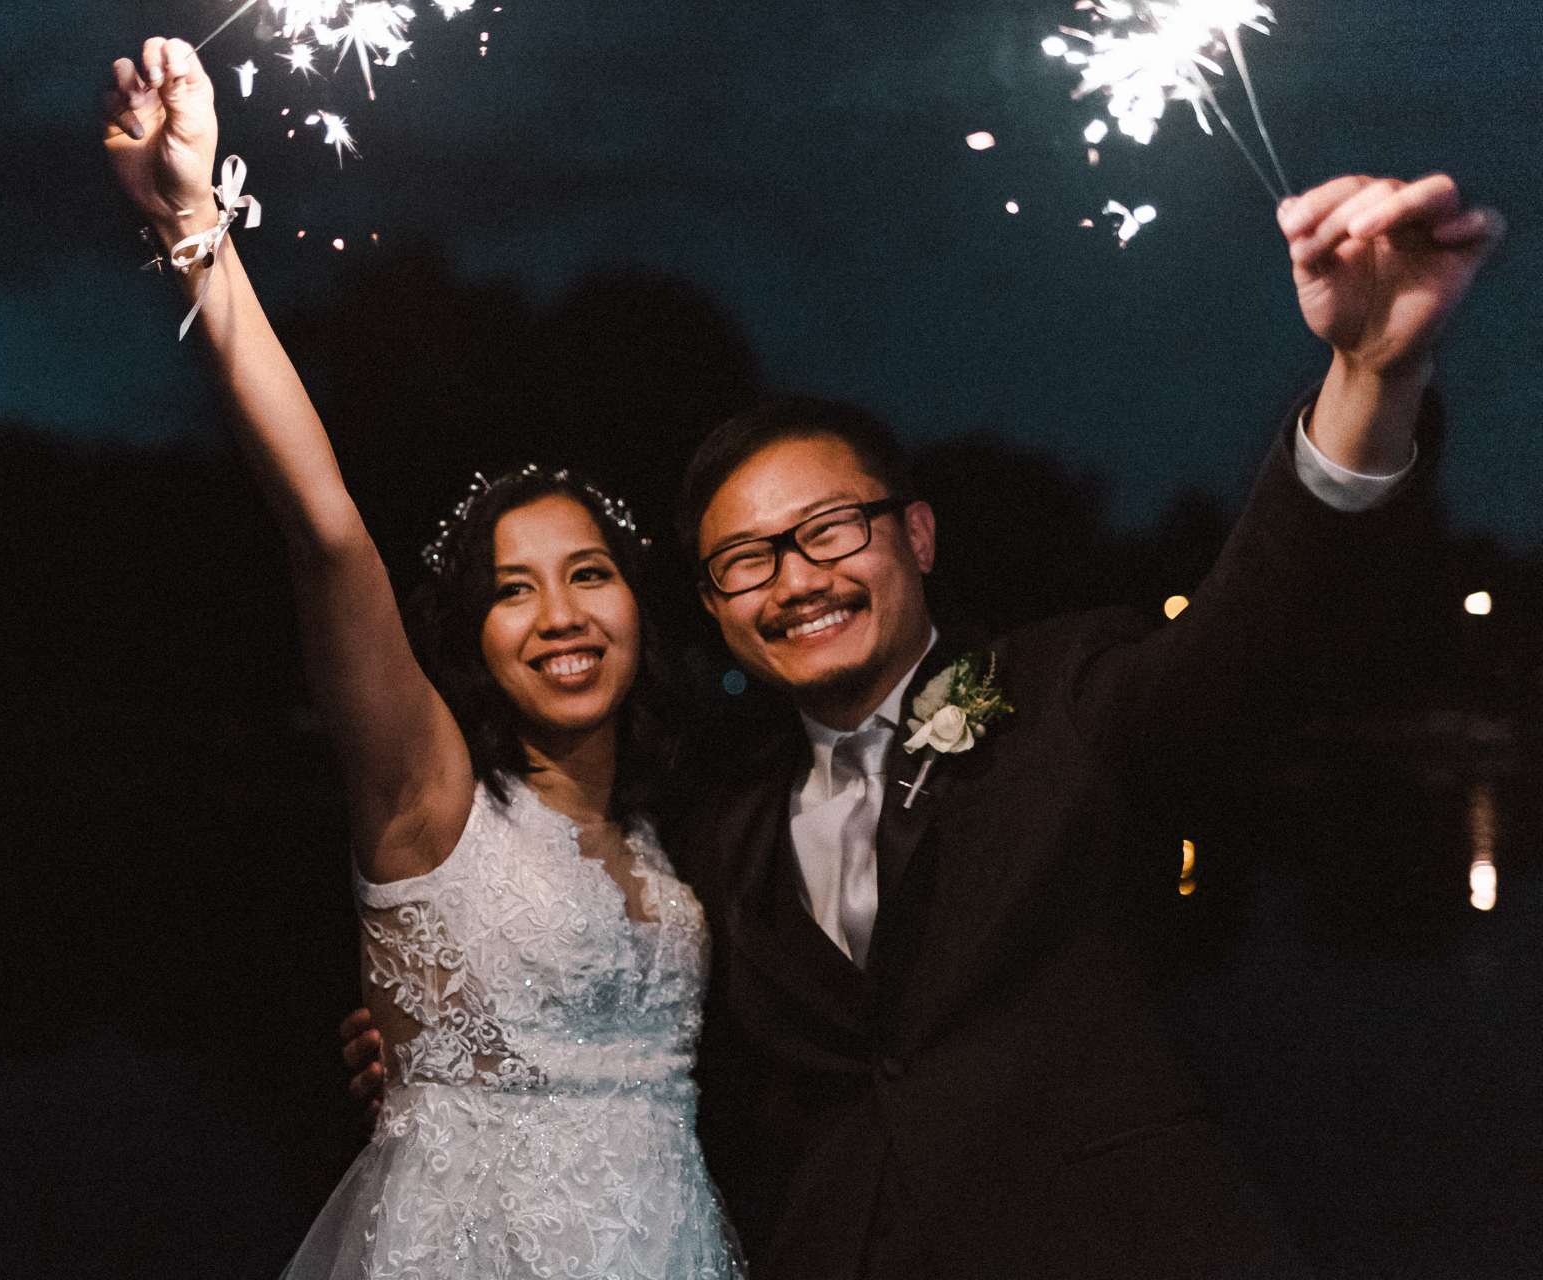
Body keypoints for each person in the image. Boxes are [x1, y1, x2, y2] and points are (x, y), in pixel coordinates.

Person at [350, 168, 1506, 1275]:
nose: (796, 580)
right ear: (713, 608)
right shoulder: (714, 820)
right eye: (747, 559)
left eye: (830, 529)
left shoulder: (1070, 697)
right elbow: (630, 1029)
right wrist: (459, 1044)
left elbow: (1257, 633)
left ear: (917, 536)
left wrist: (1371, 376)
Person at [103, 35, 744, 1279]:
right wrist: (197, 228)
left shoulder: (681, 838)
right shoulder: (430, 798)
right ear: (474, 637)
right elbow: (329, 532)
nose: (558, 614)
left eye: (589, 573)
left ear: (639, 608)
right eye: (512, 591)